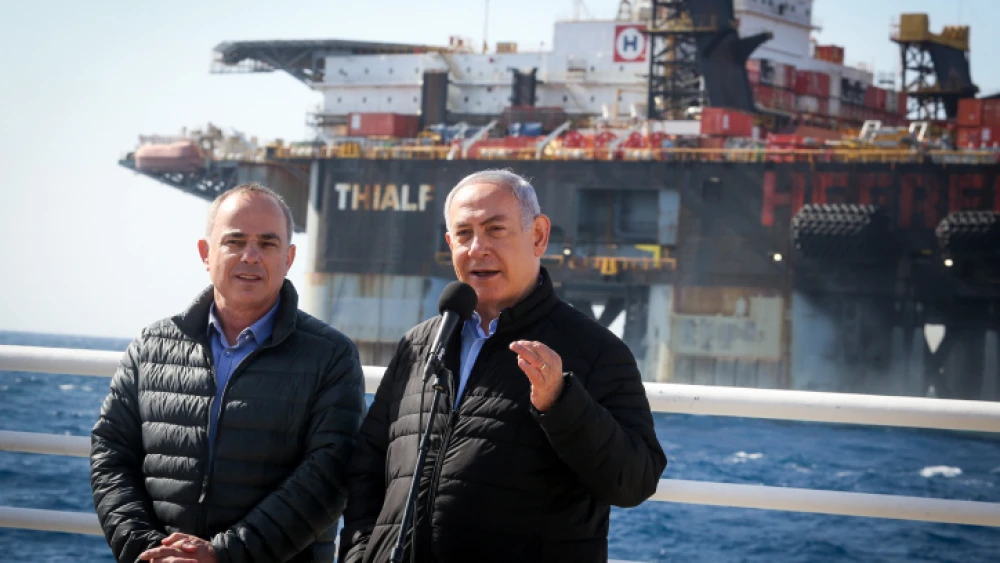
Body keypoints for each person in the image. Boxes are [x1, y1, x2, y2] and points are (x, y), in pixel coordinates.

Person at [339, 169, 667, 563]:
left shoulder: (597, 351)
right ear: (450, 244)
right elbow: (368, 467)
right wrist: (361, 554)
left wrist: (561, 404)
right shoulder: (419, 343)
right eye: (464, 234)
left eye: (496, 230)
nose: (478, 248)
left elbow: (635, 480)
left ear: (538, 236)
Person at [90, 183, 366, 563]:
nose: (250, 256)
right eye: (234, 241)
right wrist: (145, 550)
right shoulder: (151, 346)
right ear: (206, 253)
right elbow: (111, 453)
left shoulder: (331, 356)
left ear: (288, 257)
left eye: (267, 244)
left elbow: (327, 476)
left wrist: (224, 556)